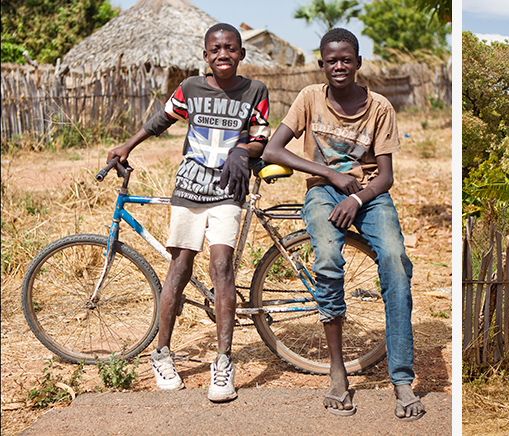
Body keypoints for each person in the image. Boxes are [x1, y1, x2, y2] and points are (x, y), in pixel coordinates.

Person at [260, 27, 424, 421]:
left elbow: (385, 176)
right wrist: (330, 176)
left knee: (397, 265)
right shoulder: (309, 99)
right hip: (323, 192)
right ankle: (337, 374)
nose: (339, 66)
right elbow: (272, 148)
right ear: (321, 64)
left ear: (358, 63)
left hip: (369, 196)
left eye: (346, 59)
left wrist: (356, 197)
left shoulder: (380, 107)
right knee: (328, 262)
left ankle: (401, 379)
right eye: (331, 60)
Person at [106, 23, 267, 403]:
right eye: (215, 49)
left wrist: (245, 151)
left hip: (229, 186)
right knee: (179, 266)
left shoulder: (255, 91)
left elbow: (260, 135)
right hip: (190, 186)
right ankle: (161, 353)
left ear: (241, 54)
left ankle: (224, 362)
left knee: (222, 266)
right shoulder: (191, 88)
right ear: (205, 55)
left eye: (230, 48)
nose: (223, 54)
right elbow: (160, 120)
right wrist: (127, 145)